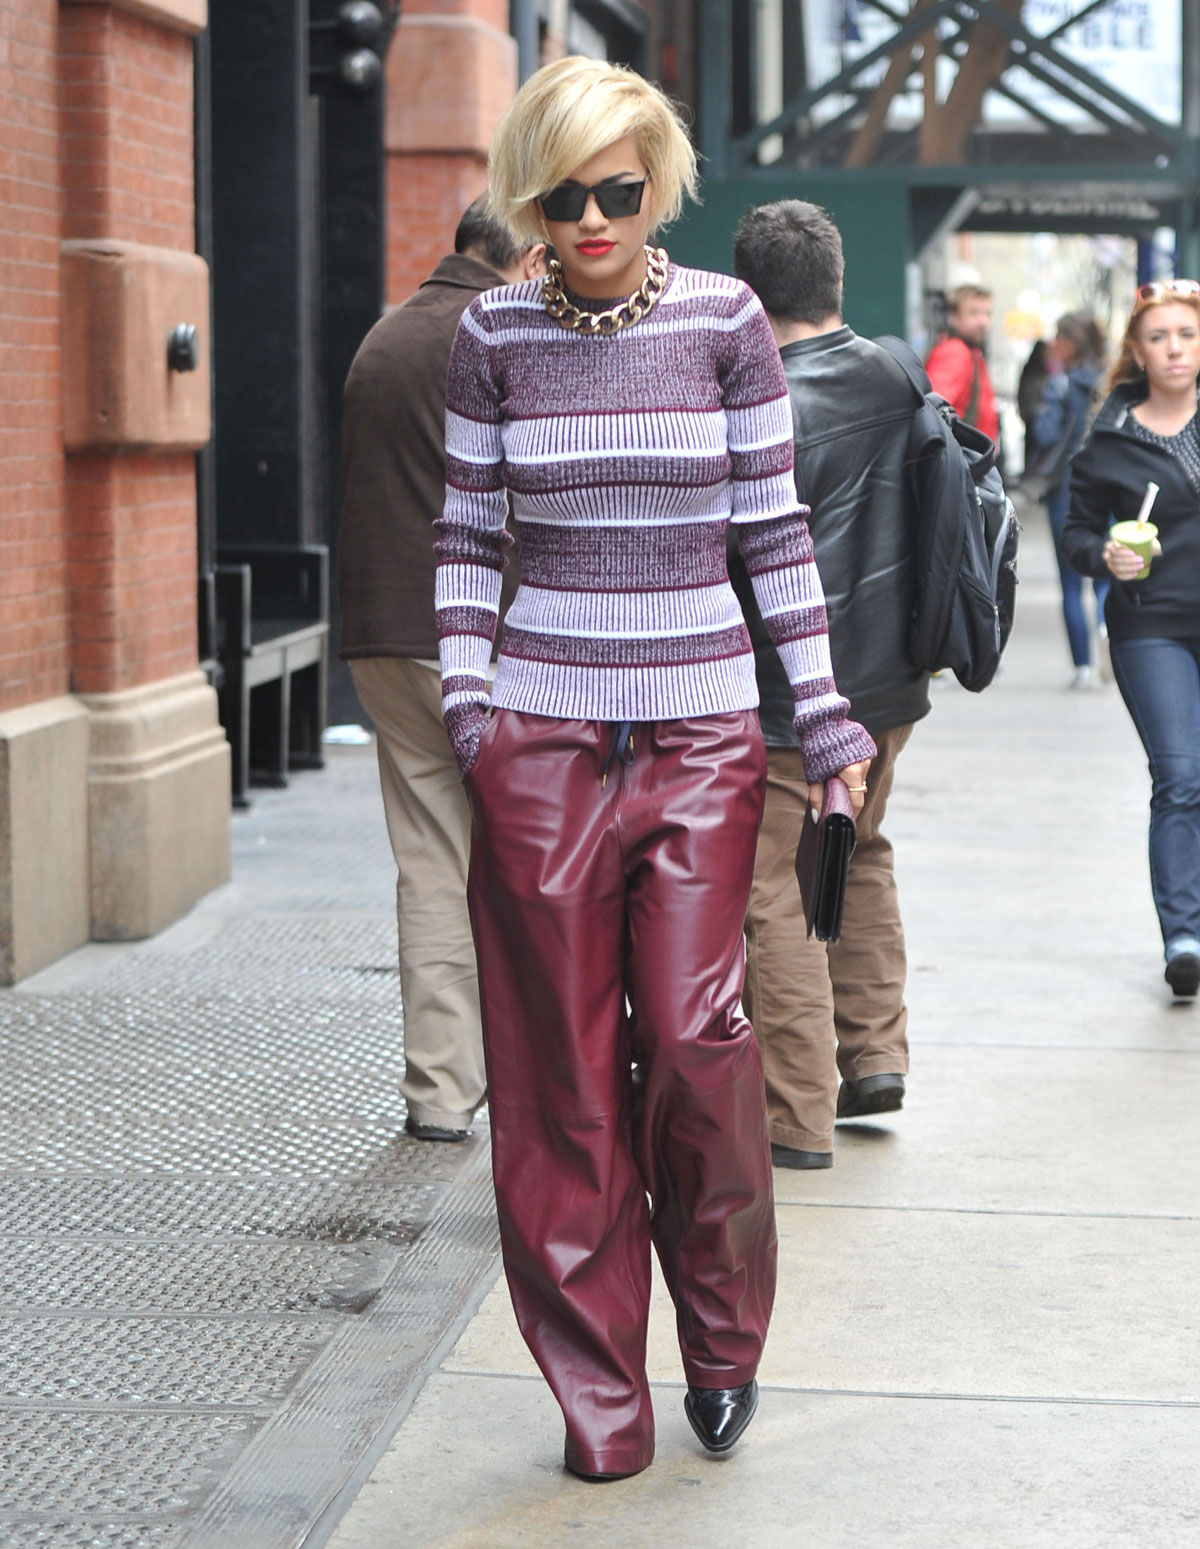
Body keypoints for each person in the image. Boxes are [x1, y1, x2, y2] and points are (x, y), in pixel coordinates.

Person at [434, 57, 875, 1479]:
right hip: (541, 736)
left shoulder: (726, 321)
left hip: (696, 734)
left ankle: (726, 1339)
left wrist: (823, 716)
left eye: (619, 190)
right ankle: (600, 1398)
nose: (592, 219)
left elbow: (775, 536)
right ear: (530, 197)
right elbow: (462, 541)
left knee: (697, 1044)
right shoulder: (491, 335)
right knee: (555, 1073)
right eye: (562, 197)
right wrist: (468, 709)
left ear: (658, 181)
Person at [337, 199, 546, 1143]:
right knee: (530, 866)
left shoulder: (383, 335)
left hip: (381, 636)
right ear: (527, 256)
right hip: (483, 641)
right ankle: (542, 1081)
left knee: (429, 864)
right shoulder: (502, 332)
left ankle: (438, 1095)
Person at [730, 200, 929, 1169]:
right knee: (861, 853)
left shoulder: (758, 401)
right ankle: (875, 1055)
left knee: (777, 888)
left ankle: (794, 1117)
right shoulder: (898, 372)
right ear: (833, 279)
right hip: (890, 680)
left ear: (746, 291)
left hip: (786, 695)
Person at [1062, 279, 1200, 1000]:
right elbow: (1075, 532)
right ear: (1138, 352)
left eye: (1186, 333)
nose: (1175, 347)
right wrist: (1105, 555)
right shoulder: (1111, 441)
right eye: (1159, 337)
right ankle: (1184, 933)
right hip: (1152, 626)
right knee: (1180, 776)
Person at [1031, 311, 1109, 688]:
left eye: (1057, 338)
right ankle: (1108, 641)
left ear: (1070, 343)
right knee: (1107, 577)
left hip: (1067, 491)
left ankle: (1083, 667)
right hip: (1109, 491)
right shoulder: (1112, 383)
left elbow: (1045, 436)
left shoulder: (1059, 386)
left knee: (1071, 583)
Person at [926, 279, 1000, 447]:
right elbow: (932, 414)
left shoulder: (971, 354)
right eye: (974, 313)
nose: (983, 322)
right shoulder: (955, 353)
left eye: (987, 314)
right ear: (954, 317)